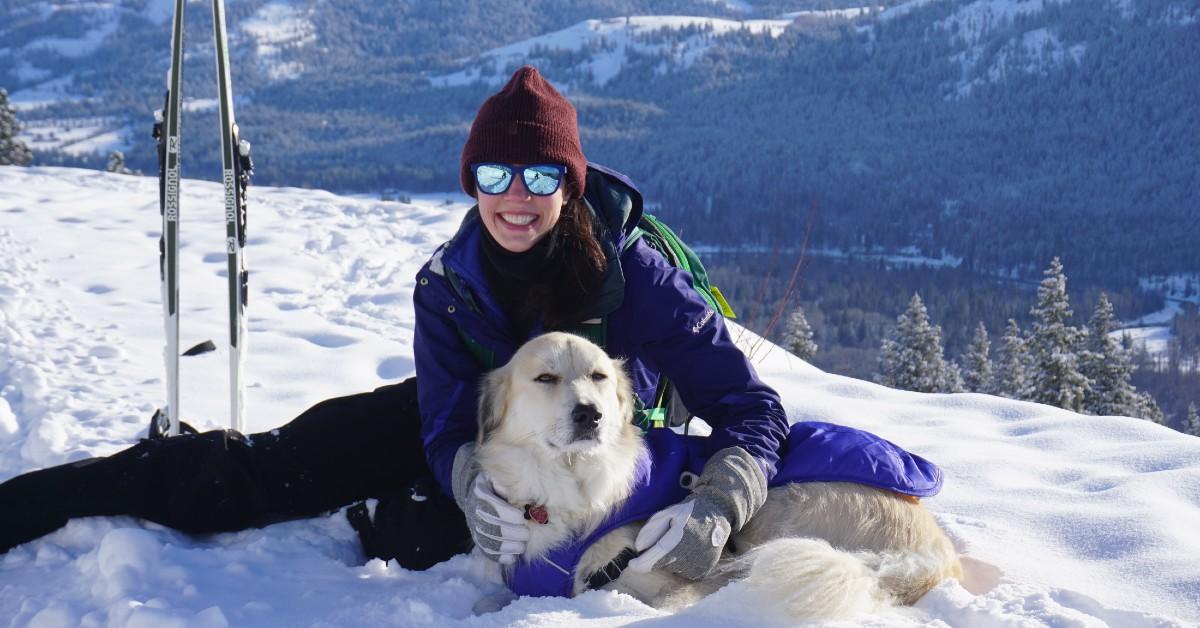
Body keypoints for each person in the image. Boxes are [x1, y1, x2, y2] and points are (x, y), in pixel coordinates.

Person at [0, 66, 789, 582]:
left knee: (420, 537)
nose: (516, 196)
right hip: (496, 436)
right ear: (471, 183)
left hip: (595, 462)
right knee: (254, 476)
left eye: (541, 174)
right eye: (493, 174)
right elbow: (446, 421)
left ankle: (392, 517)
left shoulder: (633, 276)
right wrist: (470, 480)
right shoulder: (450, 286)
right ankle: (31, 503)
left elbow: (751, 408)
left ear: (570, 184)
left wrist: (720, 500)